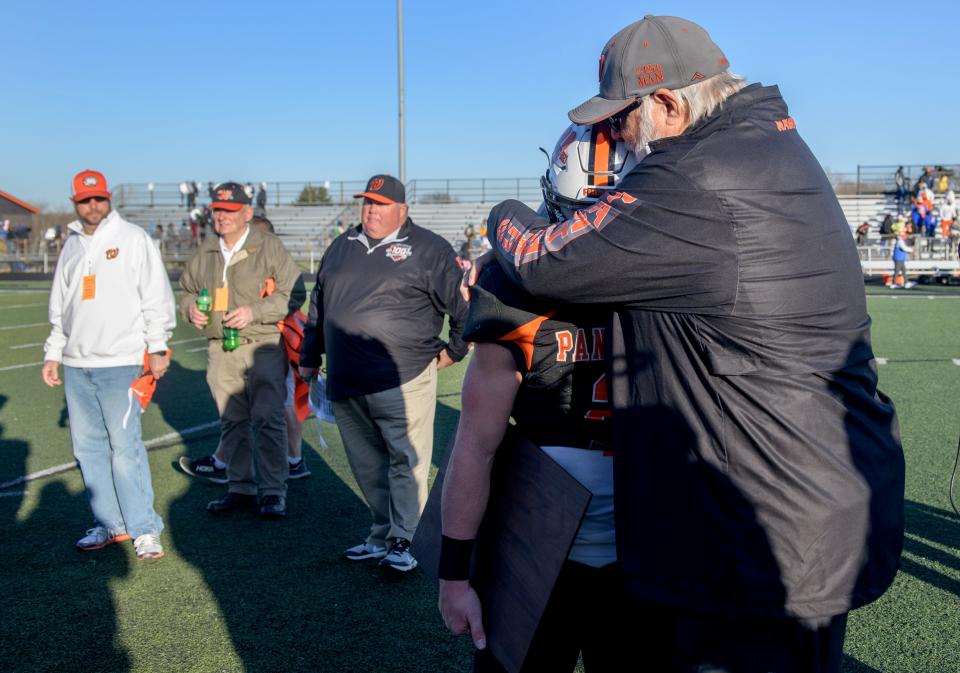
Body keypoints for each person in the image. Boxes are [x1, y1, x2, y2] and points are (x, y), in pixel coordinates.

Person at [472, 16, 904, 672]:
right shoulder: (766, 141)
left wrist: (501, 214)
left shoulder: (696, 171)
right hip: (810, 499)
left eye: (621, 120)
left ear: (670, 103)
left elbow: (539, 260)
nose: (614, 139)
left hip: (764, 529)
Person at [440, 124, 636, 672]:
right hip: (563, 547)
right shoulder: (678, 276)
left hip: (621, 548)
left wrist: (455, 573)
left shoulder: (514, 284)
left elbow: (475, 446)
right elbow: (476, 444)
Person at [299, 174, 468, 572]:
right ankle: (380, 534)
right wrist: (310, 355)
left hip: (403, 376)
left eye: (380, 203)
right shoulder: (342, 246)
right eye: (367, 203)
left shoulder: (429, 248)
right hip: (345, 379)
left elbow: (463, 309)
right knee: (366, 463)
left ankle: (406, 540)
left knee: (405, 460)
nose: (371, 210)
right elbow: (319, 306)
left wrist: (454, 351)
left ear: (402, 210)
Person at [41, 169, 176, 560]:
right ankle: (109, 523)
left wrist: (157, 346)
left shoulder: (133, 239)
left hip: (121, 362)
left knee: (125, 446)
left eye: (99, 198)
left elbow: (155, 296)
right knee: (87, 449)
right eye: (85, 200)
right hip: (76, 364)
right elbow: (59, 307)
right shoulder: (70, 246)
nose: (93, 205)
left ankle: (144, 527)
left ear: (108, 199)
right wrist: (54, 352)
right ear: (75, 204)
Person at [180, 182, 304, 518]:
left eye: (230, 211)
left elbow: (294, 292)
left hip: (261, 346)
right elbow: (186, 290)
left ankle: (273, 492)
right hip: (220, 349)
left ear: (247, 213)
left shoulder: (267, 246)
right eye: (218, 211)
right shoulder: (205, 251)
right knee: (232, 423)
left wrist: (255, 311)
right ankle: (240, 487)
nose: (222, 217)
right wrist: (189, 308)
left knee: (268, 419)